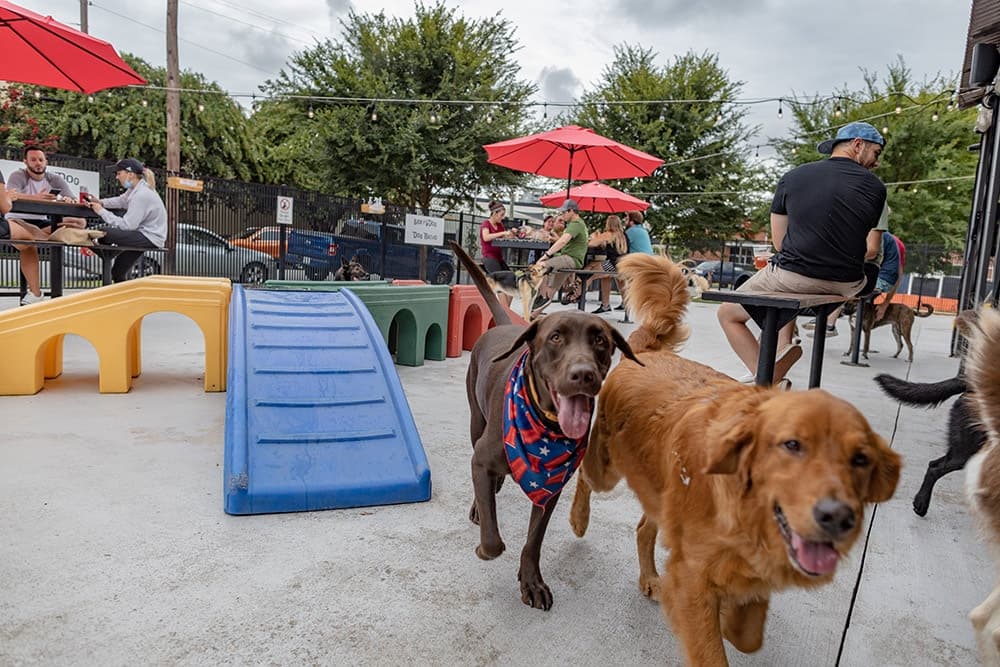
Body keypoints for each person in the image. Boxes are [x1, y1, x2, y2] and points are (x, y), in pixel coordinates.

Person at [717, 121, 887, 383]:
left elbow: (779, 243)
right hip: (847, 284)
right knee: (785, 293)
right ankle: (777, 352)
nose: (876, 162)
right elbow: (865, 245)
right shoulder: (877, 188)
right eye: (876, 153)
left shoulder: (793, 177)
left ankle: (767, 379)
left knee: (728, 313)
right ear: (857, 145)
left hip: (794, 276)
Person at [4, 147, 89, 305]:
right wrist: (36, 197)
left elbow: (71, 198)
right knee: (28, 243)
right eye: (33, 160)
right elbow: (11, 195)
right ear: (25, 162)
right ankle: (36, 293)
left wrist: (68, 200)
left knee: (79, 222)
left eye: (41, 160)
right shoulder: (18, 175)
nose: (38, 163)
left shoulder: (54, 179)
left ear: (46, 162)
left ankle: (46, 236)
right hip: (17, 219)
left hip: (42, 222)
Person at [86, 158, 166, 283]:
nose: (117, 177)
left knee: (103, 233)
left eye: (119, 173)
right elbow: (121, 200)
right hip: (146, 235)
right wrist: (100, 202)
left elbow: (127, 226)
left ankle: (105, 254)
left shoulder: (141, 194)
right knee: (118, 271)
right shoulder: (136, 189)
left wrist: (101, 211)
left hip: (148, 237)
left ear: (130, 174)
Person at [532, 199, 589, 315]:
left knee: (541, 265)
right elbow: (565, 242)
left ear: (571, 211)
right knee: (551, 290)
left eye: (564, 212)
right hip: (568, 259)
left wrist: (546, 255)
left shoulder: (576, 224)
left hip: (570, 259)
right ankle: (533, 315)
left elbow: (563, 241)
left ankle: (541, 296)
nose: (562, 216)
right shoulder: (578, 224)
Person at [584, 214, 628, 314]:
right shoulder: (623, 235)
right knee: (606, 277)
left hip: (612, 264)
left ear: (608, 224)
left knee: (589, 274)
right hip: (623, 264)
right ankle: (611, 305)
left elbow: (590, 244)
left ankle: (577, 296)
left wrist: (594, 237)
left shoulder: (608, 234)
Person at [479, 200, 515, 306]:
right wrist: (503, 233)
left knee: (512, 281)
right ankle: (505, 311)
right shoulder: (486, 224)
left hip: (499, 258)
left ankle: (506, 310)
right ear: (494, 214)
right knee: (500, 284)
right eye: (501, 215)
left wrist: (511, 233)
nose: (502, 217)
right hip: (489, 257)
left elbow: (505, 236)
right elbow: (486, 237)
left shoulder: (500, 225)